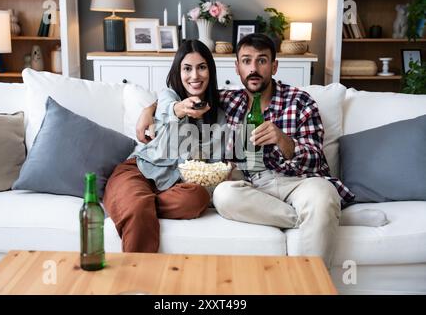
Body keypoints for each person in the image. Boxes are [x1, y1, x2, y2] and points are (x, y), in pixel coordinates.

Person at [136, 33, 355, 267]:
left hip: (299, 182)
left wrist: (284, 141)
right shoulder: (227, 101)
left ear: (274, 66)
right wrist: (149, 109)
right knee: (222, 195)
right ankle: (315, 218)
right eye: (246, 61)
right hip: (251, 186)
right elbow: (186, 96)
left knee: (322, 195)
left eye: (261, 60)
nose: (254, 68)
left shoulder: (299, 100)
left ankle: (314, 283)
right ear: (237, 68)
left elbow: (316, 158)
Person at [103, 40, 225, 253]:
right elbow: (168, 109)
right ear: (178, 72)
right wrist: (180, 109)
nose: (194, 76)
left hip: (175, 186)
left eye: (201, 67)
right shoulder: (169, 96)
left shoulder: (220, 115)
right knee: (138, 206)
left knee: (198, 198)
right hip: (139, 171)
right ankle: (139, 278)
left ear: (210, 71)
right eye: (187, 68)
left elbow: (212, 163)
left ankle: (132, 205)